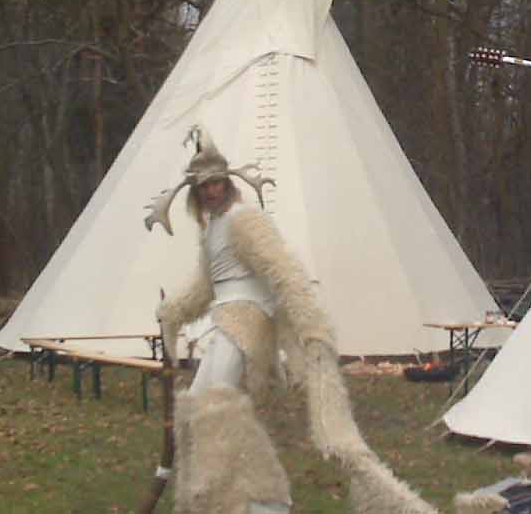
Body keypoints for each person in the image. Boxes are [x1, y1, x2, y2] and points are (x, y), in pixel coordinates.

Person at [146, 127, 435, 514]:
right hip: (226, 324)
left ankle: (260, 502)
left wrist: (310, 325)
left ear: (227, 183)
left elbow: (282, 270)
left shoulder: (244, 219)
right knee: (199, 410)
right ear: (196, 194)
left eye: (217, 184)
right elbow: (205, 285)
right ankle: (230, 499)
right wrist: (172, 313)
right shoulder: (213, 229)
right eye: (204, 187)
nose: (211, 191)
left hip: (247, 327)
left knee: (215, 409)